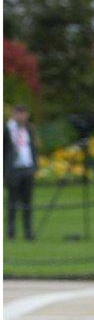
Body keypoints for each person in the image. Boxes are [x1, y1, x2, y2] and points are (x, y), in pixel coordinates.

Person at [6, 103, 35, 241]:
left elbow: (32, 148)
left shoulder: (29, 128)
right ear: (14, 114)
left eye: (24, 113)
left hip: (27, 168)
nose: (22, 116)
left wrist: (34, 165)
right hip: (13, 170)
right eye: (19, 113)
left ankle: (28, 231)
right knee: (12, 202)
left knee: (27, 202)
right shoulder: (6, 129)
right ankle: (10, 231)